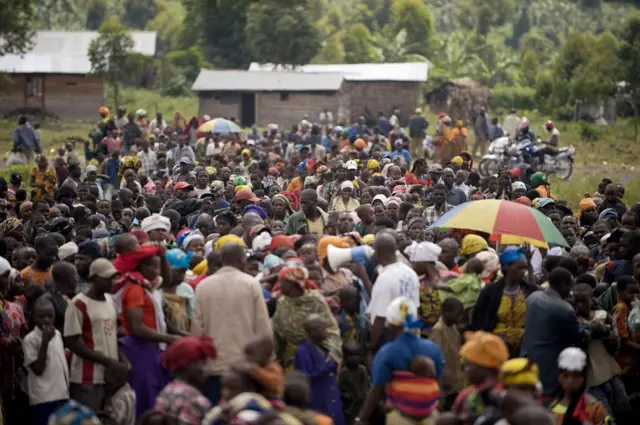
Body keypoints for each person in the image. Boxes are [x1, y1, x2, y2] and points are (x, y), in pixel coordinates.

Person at [191, 242, 272, 405]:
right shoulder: (251, 284)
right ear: (242, 260)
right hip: (246, 366)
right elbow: (263, 326)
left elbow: (197, 329)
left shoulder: (203, 286)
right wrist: (269, 360)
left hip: (214, 365)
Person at [357, 297, 444, 425]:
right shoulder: (433, 348)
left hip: (401, 417)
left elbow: (376, 389)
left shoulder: (387, 352)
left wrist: (361, 419)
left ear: (391, 324)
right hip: (430, 415)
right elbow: (439, 382)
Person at [64, 258, 127, 413]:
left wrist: (121, 360)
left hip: (109, 377)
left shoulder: (109, 301)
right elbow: (71, 341)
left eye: (113, 278)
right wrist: (107, 361)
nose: (112, 282)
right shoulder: (79, 303)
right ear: (93, 279)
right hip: (86, 377)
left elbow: (109, 335)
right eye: (106, 279)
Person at [521, 267, 582, 394]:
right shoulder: (564, 309)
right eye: (570, 286)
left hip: (528, 358)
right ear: (564, 284)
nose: (571, 291)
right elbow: (579, 336)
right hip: (548, 366)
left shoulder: (533, 297)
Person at [272, 262, 342, 371]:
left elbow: (331, 329)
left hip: (316, 355)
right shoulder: (282, 302)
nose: (279, 285)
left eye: (281, 282)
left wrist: (332, 355)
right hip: (291, 358)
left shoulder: (315, 301)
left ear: (292, 284)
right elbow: (277, 331)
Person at [471, 247, 538, 357]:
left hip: (523, 350)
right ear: (506, 267)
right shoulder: (491, 292)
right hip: (495, 348)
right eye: (519, 268)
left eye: (525, 268)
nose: (523, 272)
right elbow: (479, 322)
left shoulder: (527, 290)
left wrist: (530, 265)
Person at [368, 230, 420, 350]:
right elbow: (417, 307)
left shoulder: (384, 278)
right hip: (411, 332)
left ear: (378, 252)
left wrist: (371, 346)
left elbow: (380, 319)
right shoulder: (409, 272)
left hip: (391, 336)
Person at [23, 297, 69, 425]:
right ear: (34, 317)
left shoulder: (57, 335)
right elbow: (38, 369)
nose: (46, 320)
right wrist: (44, 342)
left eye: (50, 316)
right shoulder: (30, 340)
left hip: (61, 394)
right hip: (43, 398)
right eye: (42, 317)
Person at [294, 314, 345, 425]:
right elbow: (305, 377)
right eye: (324, 329)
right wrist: (329, 366)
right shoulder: (302, 351)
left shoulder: (324, 348)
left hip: (330, 399)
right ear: (314, 331)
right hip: (317, 401)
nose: (327, 332)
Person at [155, 336, 216, 425]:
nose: (206, 369)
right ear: (186, 365)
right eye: (202, 363)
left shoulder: (167, 391)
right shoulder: (196, 401)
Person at [546, 348, 612, 425]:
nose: (570, 380)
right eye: (565, 375)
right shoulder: (549, 407)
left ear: (583, 378)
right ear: (559, 377)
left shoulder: (595, 408)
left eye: (576, 376)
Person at [452, 331, 509, 418]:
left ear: (489, 370)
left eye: (468, 365)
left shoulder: (467, 396)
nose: (465, 370)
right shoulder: (509, 394)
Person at [430, 297, 465, 410]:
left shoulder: (454, 328)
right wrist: (442, 377)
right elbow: (436, 357)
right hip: (445, 382)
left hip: (455, 379)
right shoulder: (438, 330)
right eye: (457, 314)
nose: (460, 318)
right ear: (446, 312)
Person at [338, 341, 370, 424]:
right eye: (351, 355)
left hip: (362, 408)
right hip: (348, 410)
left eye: (357, 355)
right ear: (345, 357)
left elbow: (367, 387)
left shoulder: (362, 370)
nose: (354, 358)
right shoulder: (344, 373)